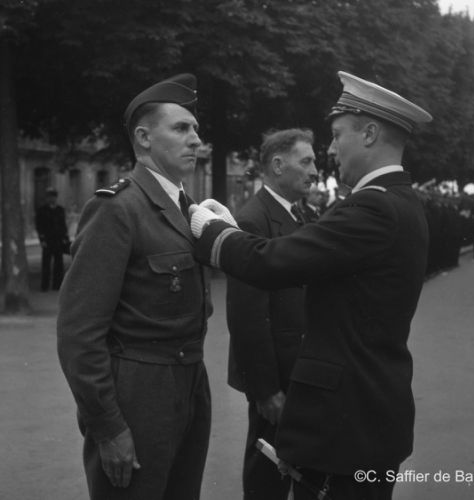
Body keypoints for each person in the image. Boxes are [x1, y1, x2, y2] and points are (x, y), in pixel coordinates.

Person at [190, 71, 432, 499]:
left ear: (370, 134)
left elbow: (271, 262)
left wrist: (209, 230)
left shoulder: (373, 206)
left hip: (344, 426)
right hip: (367, 413)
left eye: (337, 136)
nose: (331, 150)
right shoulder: (400, 200)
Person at [57, 74, 212, 500]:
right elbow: (78, 332)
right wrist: (108, 427)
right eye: (181, 128)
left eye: (196, 128)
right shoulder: (118, 209)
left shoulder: (185, 209)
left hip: (190, 384)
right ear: (143, 138)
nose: (195, 139)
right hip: (139, 396)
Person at [226, 128, 317, 499]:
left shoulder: (302, 214)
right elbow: (247, 317)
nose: (314, 171)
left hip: (301, 370)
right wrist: (265, 391)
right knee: (267, 477)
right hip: (277, 378)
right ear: (278, 165)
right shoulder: (253, 220)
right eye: (306, 161)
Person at [35, 187, 69, 291]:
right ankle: (44, 286)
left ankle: (57, 285)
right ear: (47, 198)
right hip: (48, 240)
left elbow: (63, 225)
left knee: (59, 264)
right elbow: (39, 226)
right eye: (50, 197)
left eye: (53, 196)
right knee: (46, 264)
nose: (52, 199)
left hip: (58, 240)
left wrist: (65, 238)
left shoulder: (60, 210)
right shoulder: (42, 210)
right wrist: (42, 240)